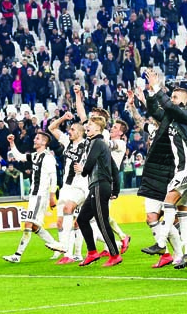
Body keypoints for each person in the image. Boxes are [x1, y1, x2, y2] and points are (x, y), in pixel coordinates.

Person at [141, 70, 187, 269]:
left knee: (169, 200)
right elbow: (156, 111)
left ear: (184, 102)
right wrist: (151, 93)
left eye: (175, 97)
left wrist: (157, 87)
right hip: (182, 168)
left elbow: (169, 106)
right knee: (182, 209)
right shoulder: (171, 118)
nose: (171, 100)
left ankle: (161, 243)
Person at [128, 88, 183, 268]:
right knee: (151, 218)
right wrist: (133, 106)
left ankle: (180, 254)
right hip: (152, 177)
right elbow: (139, 121)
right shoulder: (152, 129)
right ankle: (166, 253)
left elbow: (158, 114)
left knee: (168, 219)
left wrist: (146, 100)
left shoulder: (172, 129)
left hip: (168, 176)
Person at [74, 87, 131, 253]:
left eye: (92, 121)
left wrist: (84, 167)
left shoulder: (105, 139)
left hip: (105, 179)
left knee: (100, 217)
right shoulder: (97, 136)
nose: (88, 122)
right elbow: (82, 114)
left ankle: (114, 246)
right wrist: (78, 96)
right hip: (95, 178)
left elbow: (109, 158)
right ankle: (111, 244)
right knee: (96, 216)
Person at [2, 132, 59, 263]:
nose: (34, 139)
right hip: (34, 195)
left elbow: (53, 177)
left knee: (28, 223)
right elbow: (19, 156)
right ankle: (55, 245)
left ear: (44, 142)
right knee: (33, 226)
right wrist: (12, 143)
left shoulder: (48, 157)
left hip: (41, 195)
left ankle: (17, 255)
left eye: (37, 138)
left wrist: (52, 195)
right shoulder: (35, 156)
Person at [74, 116, 122, 267]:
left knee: (102, 220)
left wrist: (83, 170)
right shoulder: (102, 145)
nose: (87, 126)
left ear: (98, 128)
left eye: (90, 124)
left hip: (99, 185)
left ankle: (114, 254)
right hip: (98, 186)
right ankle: (92, 252)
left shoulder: (97, 142)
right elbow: (114, 168)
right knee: (82, 219)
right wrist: (116, 189)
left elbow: (88, 165)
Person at [45, 113, 88, 264]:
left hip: (81, 185)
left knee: (69, 210)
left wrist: (84, 168)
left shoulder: (88, 144)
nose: (70, 131)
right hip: (66, 187)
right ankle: (68, 254)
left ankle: (69, 250)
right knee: (62, 221)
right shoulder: (67, 143)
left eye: (73, 129)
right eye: (69, 129)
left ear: (81, 133)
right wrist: (63, 118)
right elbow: (51, 127)